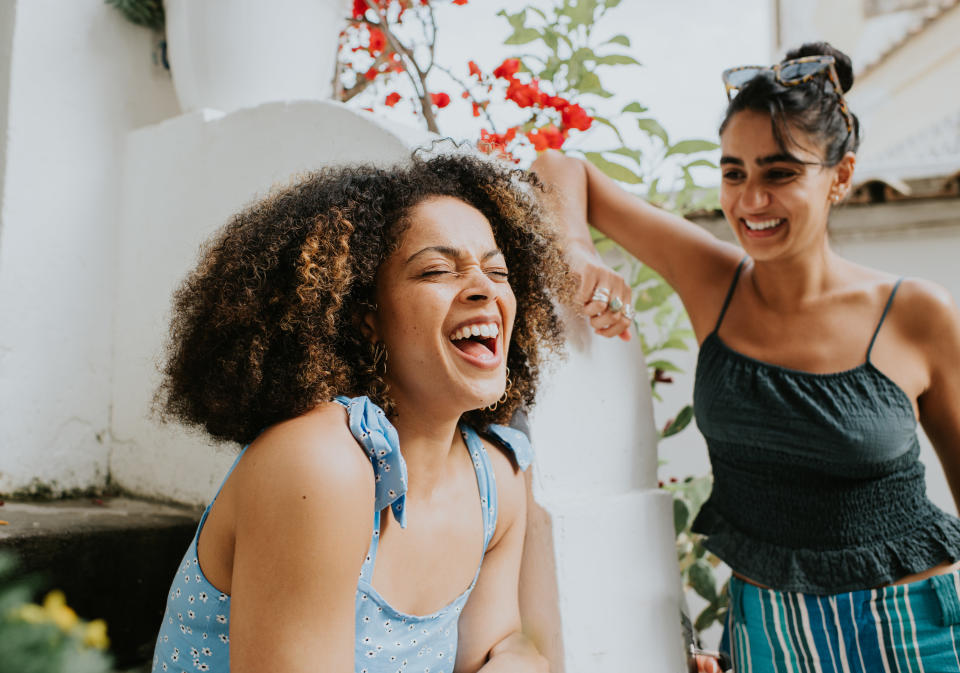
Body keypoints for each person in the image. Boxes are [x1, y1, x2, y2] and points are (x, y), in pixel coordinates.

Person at [533, 42, 960, 671]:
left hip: (911, 631)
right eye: (734, 172)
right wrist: (577, 253)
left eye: (780, 172)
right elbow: (558, 167)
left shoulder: (916, 313)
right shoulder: (714, 282)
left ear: (839, 177)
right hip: (767, 632)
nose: (750, 200)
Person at [150, 153, 573, 672]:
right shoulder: (318, 464)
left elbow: (502, 646)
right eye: (437, 269)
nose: (484, 287)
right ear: (366, 318)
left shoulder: (497, 482)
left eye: (498, 270)